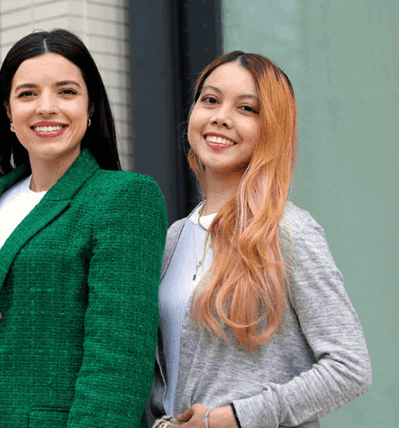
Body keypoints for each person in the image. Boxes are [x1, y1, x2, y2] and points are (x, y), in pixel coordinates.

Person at [0, 29, 167, 427]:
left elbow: (119, 359)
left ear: (90, 107)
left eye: (66, 92)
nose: (46, 107)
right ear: (8, 109)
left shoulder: (125, 197)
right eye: (27, 93)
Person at [147, 51, 372, 428]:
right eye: (211, 100)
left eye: (247, 108)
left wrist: (235, 417)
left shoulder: (288, 231)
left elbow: (350, 368)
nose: (221, 117)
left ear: (272, 128)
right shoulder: (174, 237)